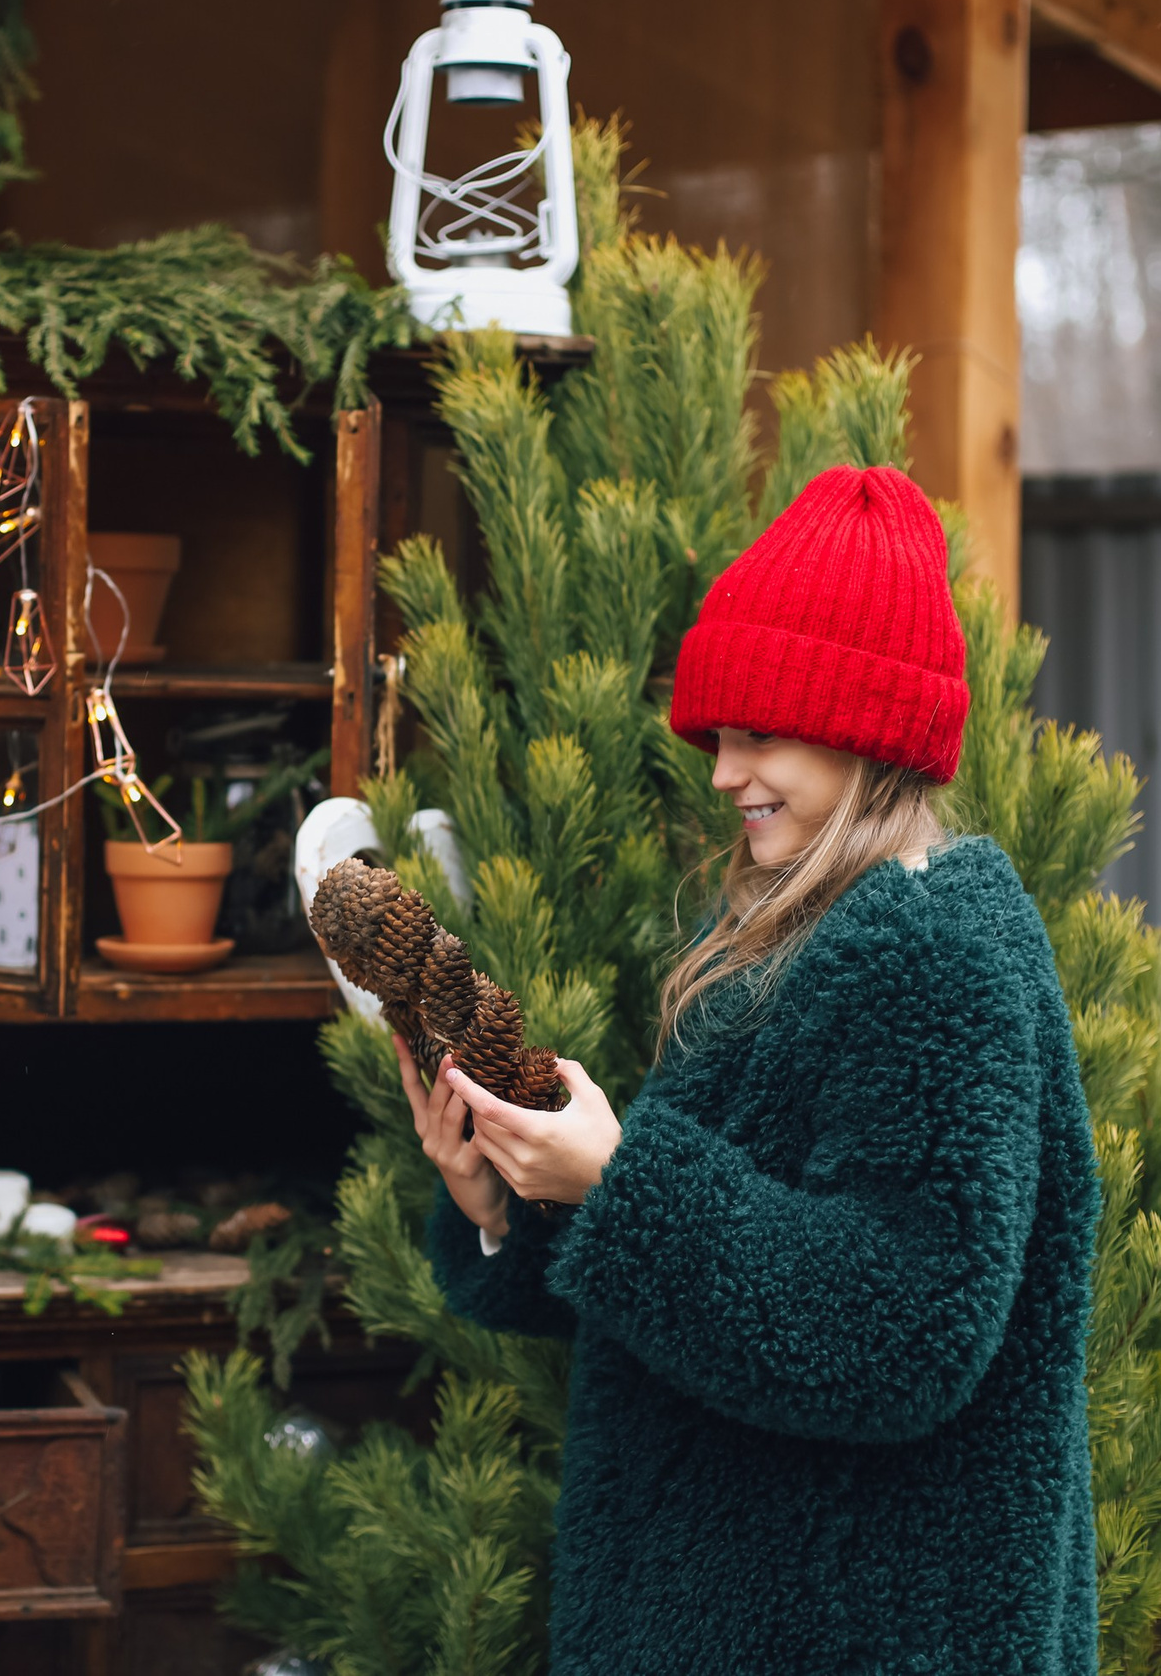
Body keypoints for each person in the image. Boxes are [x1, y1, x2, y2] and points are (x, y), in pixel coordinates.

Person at [404, 465, 1101, 1675]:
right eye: (721, 734)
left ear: (863, 728)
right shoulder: (814, 932)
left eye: (759, 732)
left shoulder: (931, 950)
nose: (724, 773)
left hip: (856, 1631)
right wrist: (505, 1207)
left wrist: (619, 1184)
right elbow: (704, 1291)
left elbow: (904, 1324)